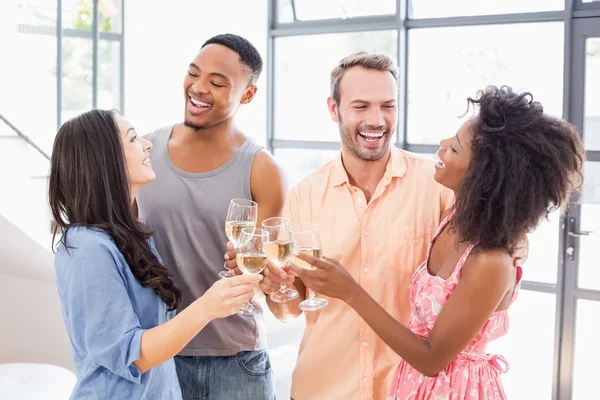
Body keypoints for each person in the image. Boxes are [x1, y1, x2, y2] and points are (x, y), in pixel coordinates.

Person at [260, 52, 527, 399]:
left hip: (407, 390)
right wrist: (272, 286)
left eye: (387, 106)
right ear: (333, 109)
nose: (377, 120)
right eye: (361, 106)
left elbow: (498, 234)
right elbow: (289, 308)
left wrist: (518, 241)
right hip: (323, 388)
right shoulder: (304, 197)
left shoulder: (441, 189)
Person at [291, 85, 585, 399]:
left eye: (455, 148)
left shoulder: (490, 261)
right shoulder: (455, 217)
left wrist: (351, 292)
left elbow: (431, 359)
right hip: (415, 386)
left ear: (483, 175)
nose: (442, 146)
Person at [50, 109, 262, 399]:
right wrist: (208, 307)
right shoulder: (86, 248)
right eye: (134, 139)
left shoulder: (132, 234)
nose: (148, 144)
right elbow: (132, 355)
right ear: (104, 159)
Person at [135, 33, 288, 400]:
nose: (199, 88)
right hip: (160, 352)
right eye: (193, 73)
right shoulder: (143, 152)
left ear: (247, 94)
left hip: (236, 361)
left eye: (218, 83)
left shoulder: (263, 170)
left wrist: (264, 276)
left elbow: (269, 277)